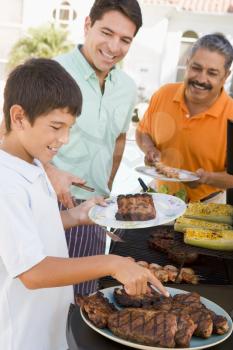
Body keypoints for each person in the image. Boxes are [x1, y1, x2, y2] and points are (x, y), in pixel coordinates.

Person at [0, 58, 168, 350]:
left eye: (69, 128)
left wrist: (75, 216)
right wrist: (112, 263)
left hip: (48, 328)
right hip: (23, 337)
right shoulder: (6, 182)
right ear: (18, 117)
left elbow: (31, 226)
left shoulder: (32, 161)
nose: (63, 139)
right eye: (55, 126)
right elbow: (33, 272)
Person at [44, 0, 143, 295]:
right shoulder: (51, 72)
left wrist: (106, 189)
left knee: (85, 305)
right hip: (45, 205)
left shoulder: (127, 87)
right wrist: (50, 170)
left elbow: (120, 138)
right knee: (41, 306)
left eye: (125, 40)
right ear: (87, 25)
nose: (114, 47)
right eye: (107, 32)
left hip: (94, 212)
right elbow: (7, 136)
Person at [136, 33, 233, 203]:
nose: (201, 78)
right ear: (187, 64)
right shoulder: (163, 94)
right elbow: (142, 132)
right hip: (160, 198)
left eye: (212, 73)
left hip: (207, 205)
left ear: (225, 76)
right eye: (196, 68)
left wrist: (206, 178)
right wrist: (149, 149)